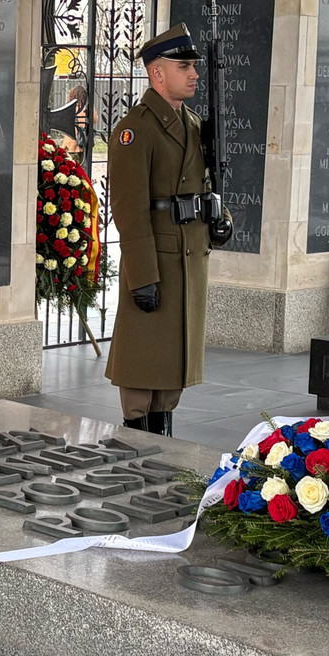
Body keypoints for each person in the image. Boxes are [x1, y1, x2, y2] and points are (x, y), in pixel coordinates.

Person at [104, 23, 231, 437]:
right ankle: (136, 440)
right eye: (184, 66)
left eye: (194, 66)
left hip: (189, 254)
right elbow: (128, 209)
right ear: (157, 73)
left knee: (172, 363)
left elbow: (204, 183)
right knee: (143, 362)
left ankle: (164, 440)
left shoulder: (192, 123)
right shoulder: (135, 129)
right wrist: (142, 275)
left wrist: (219, 215)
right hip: (156, 257)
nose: (194, 73)